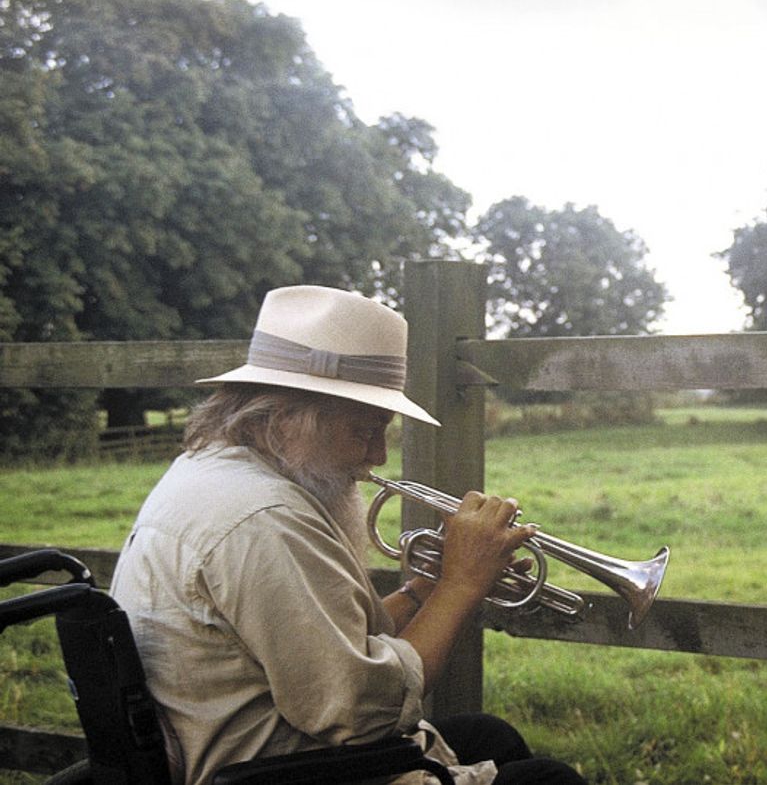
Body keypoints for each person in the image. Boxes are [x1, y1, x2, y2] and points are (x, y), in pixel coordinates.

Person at [110, 285, 586, 785]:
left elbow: (329, 644)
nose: (378, 455)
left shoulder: (210, 472)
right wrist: (461, 585)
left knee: (488, 735)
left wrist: (430, 585)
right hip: (289, 772)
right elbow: (363, 715)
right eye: (366, 428)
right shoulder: (266, 520)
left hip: (255, 748)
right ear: (288, 416)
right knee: (548, 779)